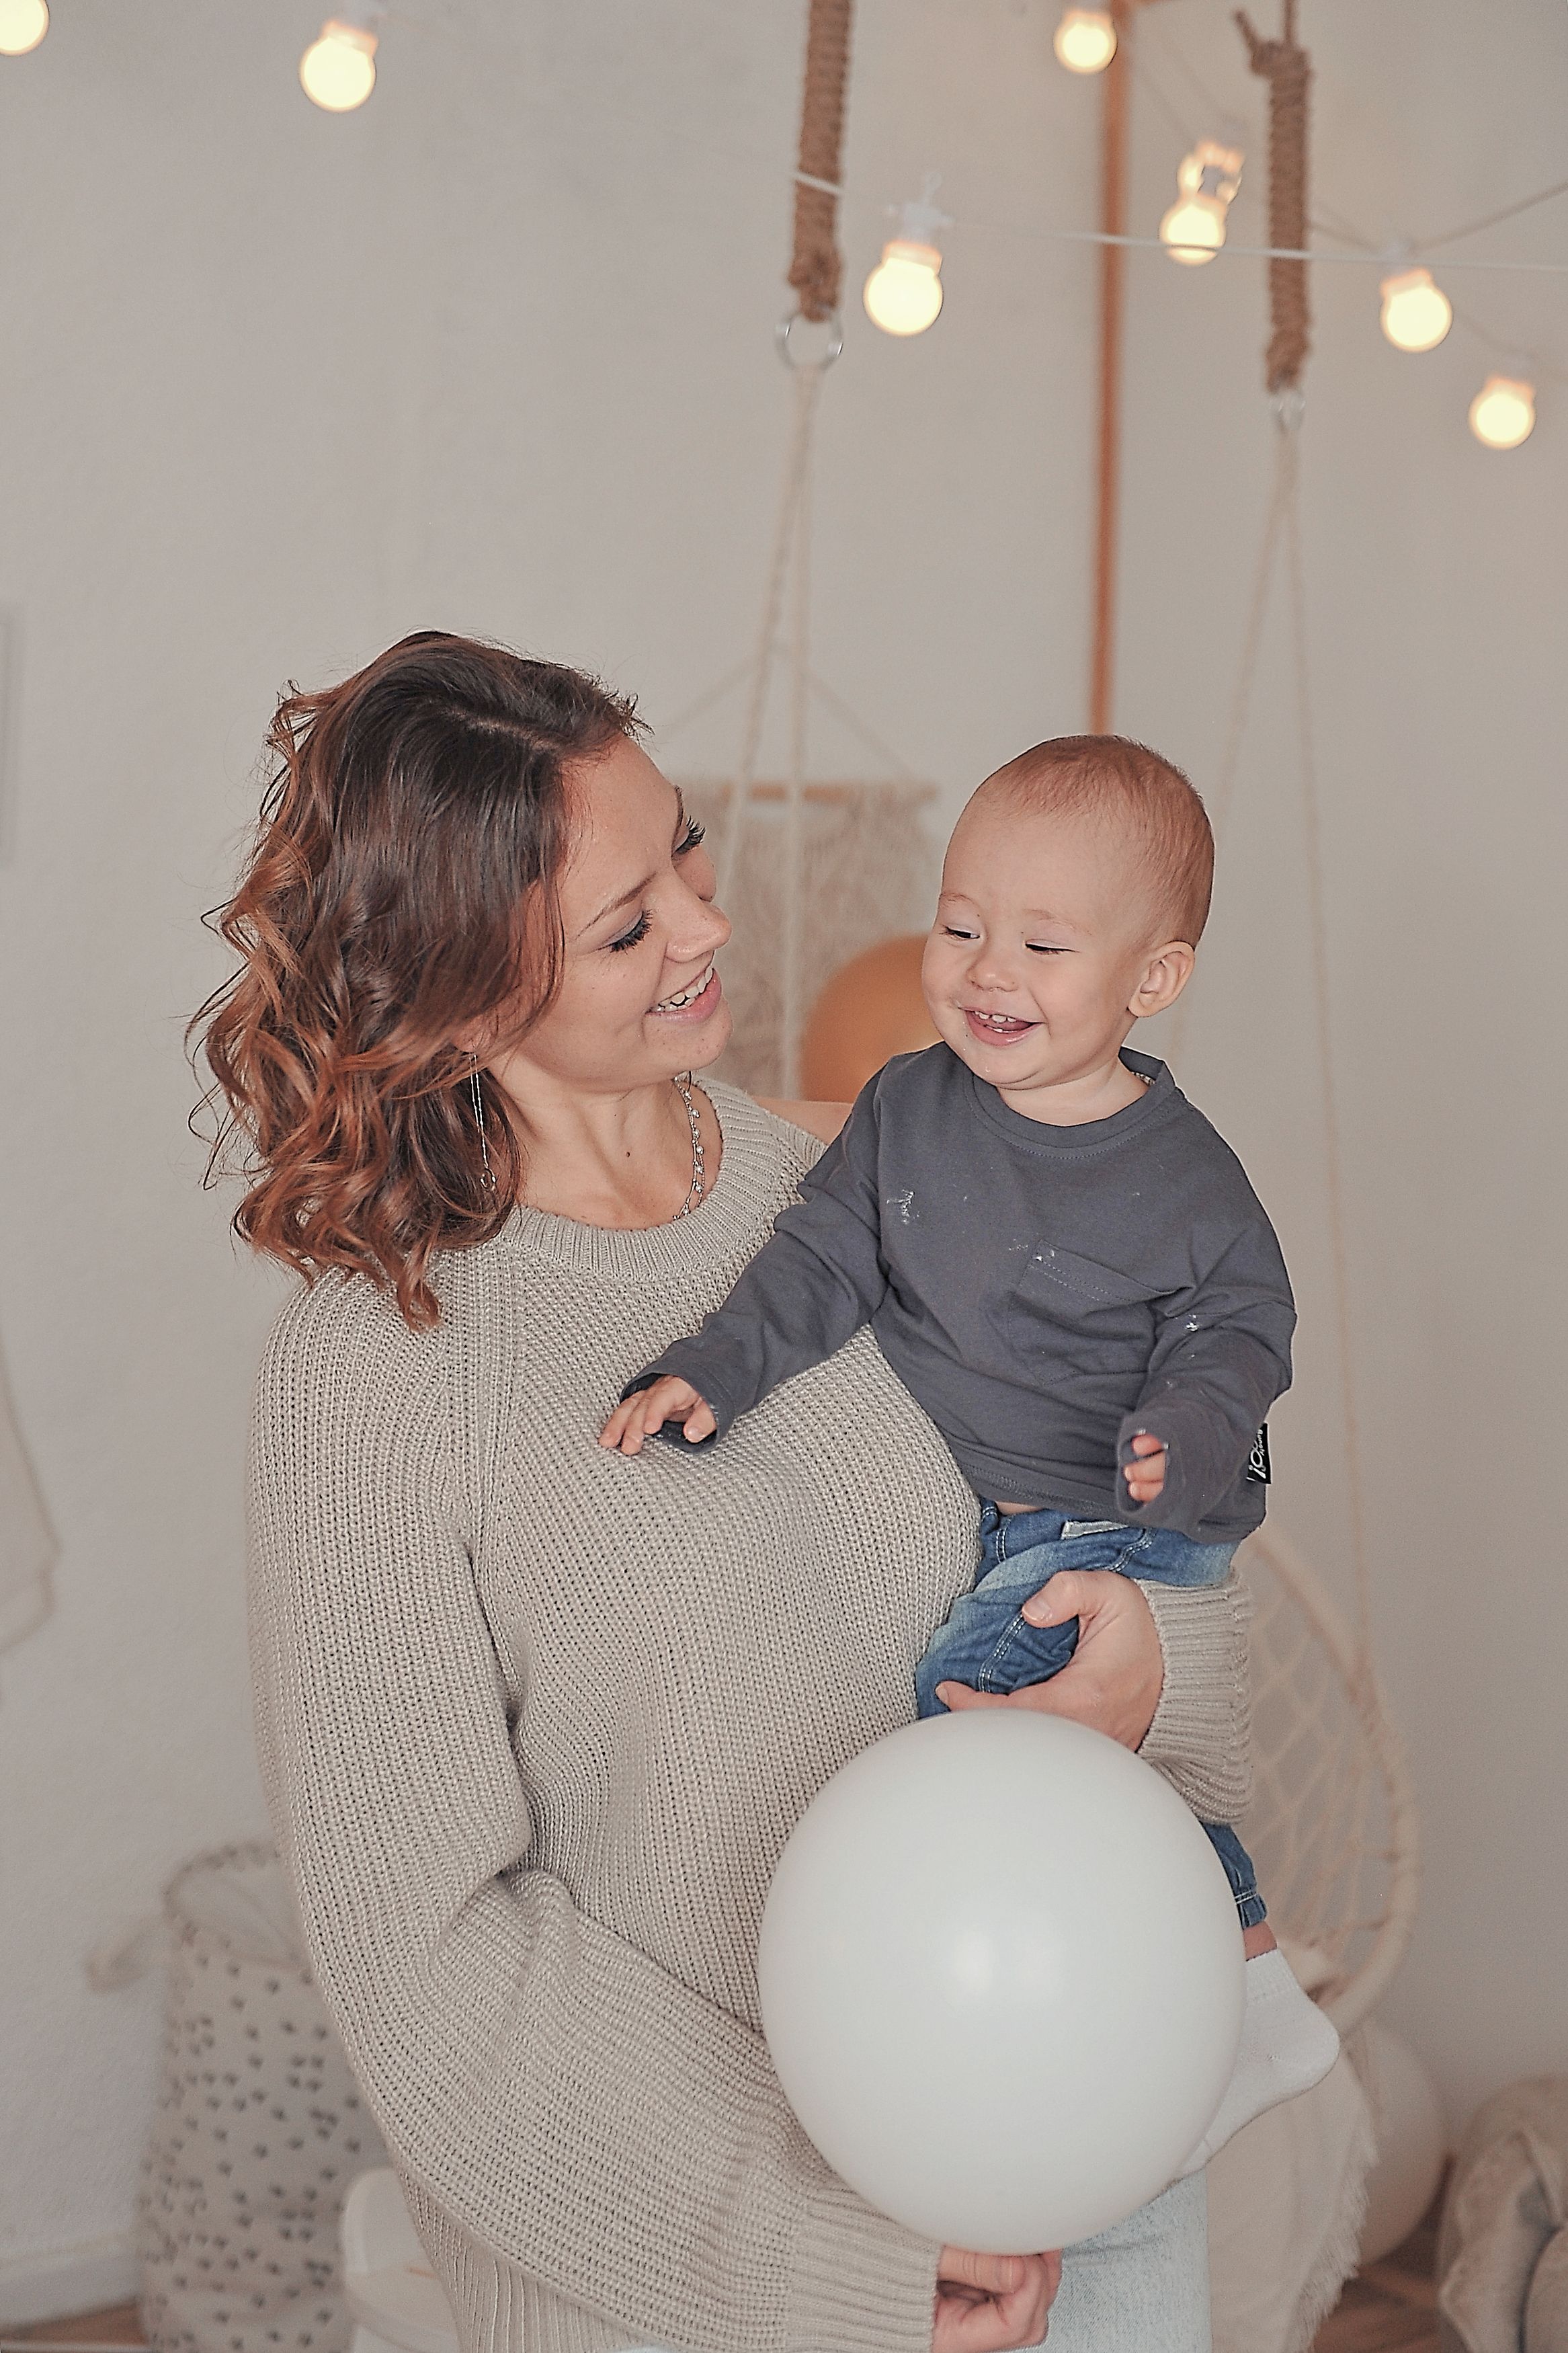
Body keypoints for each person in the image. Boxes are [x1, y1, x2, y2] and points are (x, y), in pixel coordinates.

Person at [204, 635, 1255, 2353]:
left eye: (684, 850)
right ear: (465, 996)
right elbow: (432, 1967)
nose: (708, 925)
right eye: (629, 927)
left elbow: (1147, 1514)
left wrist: (1154, 1668)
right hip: (724, 2287)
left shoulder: (880, 1169)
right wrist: (835, 2252)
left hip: (1092, 2153)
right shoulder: (376, 1374)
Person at [606, 736, 1341, 2171]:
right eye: (960, 927)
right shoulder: (906, 1108)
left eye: (1044, 946)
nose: (988, 971)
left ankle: (1087, 2042)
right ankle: (1247, 1987)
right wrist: (715, 1367)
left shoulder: (1185, 1178)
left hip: (1115, 1519)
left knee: (972, 1735)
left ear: (1151, 979)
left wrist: (1185, 1431)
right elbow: (818, 1260)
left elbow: (1246, 1330)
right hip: (1016, 1524)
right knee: (1096, 1777)